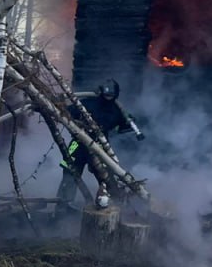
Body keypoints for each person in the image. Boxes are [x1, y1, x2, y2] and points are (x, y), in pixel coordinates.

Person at [56, 79, 145, 210]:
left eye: (111, 95)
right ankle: (63, 206)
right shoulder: (86, 103)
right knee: (70, 171)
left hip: (101, 147)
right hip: (78, 143)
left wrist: (130, 121)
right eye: (106, 94)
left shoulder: (117, 111)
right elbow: (67, 113)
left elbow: (121, 128)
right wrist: (58, 107)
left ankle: (113, 204)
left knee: (106, 175)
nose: (108, 97)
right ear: (101, 92)